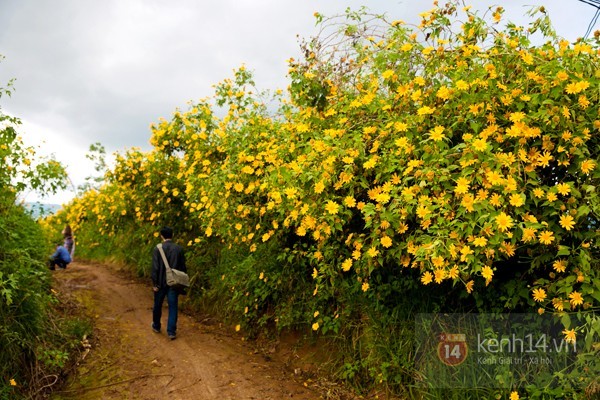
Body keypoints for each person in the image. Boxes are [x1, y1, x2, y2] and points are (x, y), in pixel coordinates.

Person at [151, 226, 187, 340]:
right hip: (174, 283)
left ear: (161, 236)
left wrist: (155, 284)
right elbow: (183, 268)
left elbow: (155, 268)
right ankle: (171, 331)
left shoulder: (158, 248)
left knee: (157, 305)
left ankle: (156, 326)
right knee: (173, 307)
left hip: (160, 283)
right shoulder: (179, 249)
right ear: (172, 235)